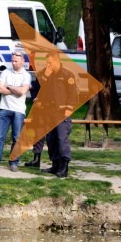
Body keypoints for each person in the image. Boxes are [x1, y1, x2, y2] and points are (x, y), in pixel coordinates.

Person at [0, 50, 31, 171]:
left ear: (22, 61)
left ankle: (14, 162)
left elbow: (22, 92)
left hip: (19, 110)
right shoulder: (5, 72)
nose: (14, 63)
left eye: (16, 61)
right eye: (12, 61)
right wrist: (15, 89)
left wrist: (8, 86)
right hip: (4, 108)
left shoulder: (26, 75)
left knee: (16, 138)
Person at [35, 50, 78, 178]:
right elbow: (40, 89)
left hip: (61, 112)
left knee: (61, 138)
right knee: (51, 139)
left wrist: (69, 109)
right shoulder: (47, 74)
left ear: (57, 60)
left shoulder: (67, 75)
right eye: (47, 63)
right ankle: (55, 165)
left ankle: (64, 167)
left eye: (50, 63)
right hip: (48, 112)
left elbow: (73, 94)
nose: (48, 65)